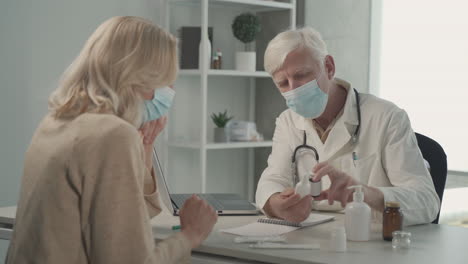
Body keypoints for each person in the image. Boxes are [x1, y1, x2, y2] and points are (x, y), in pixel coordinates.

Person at [6, 16, 217, 264]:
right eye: (164, 82)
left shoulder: (56, 121)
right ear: (137, 78)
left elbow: (132, 217)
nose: (169, 92)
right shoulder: (112, 134)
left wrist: (145, 145)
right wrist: (191, 234)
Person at [255, 27, 440, 226]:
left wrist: (366, 194)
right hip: (314, 239)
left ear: (329, 67)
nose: (294, 90)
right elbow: (273, 179)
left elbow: (427, 201)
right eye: (283, 83)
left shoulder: (387, 117)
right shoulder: (288, 121)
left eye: (301, 75)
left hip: (373, 240)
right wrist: (276, 204)